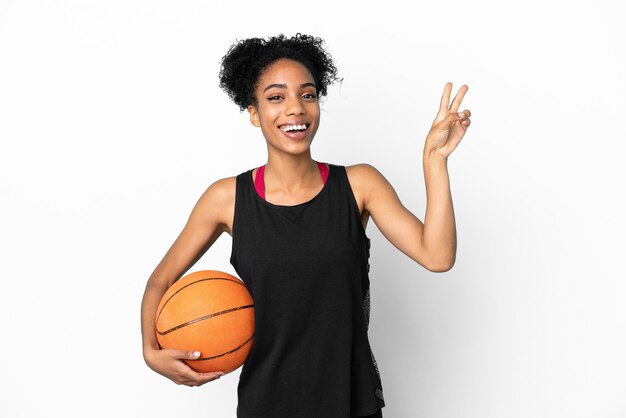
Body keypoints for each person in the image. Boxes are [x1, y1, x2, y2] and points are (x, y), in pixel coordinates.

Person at [140, 33, 472, 418]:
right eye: (276, 97)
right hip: (266, 404)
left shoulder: (360, 184)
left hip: (351, 401)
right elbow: (160, 282)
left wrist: (435, 161)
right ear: (253, 112)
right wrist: (151, 352)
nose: (294, 109)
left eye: (308, 94)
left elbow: (438, 255)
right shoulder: (227, 199)